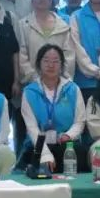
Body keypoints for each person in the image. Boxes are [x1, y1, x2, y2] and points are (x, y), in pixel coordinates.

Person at [17, 0, 100, 87]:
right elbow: (22, 56)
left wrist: (62, 81)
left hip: (60, 85)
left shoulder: (63, 24)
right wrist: (36, 80)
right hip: (33, 85)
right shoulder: (23, 24)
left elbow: (69, 56)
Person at [19, 44, 87, 172]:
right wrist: (45, 154)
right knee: (34, 158)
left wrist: (68, 135)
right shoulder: (29, 92)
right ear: (39, 64)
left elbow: (80, 121)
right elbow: (32, 128)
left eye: (56, 61)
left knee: (76, 152)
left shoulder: (73, 89)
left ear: (62, 65)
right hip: (38, 144)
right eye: (46, 61)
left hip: (65, 142)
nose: (51, 65)